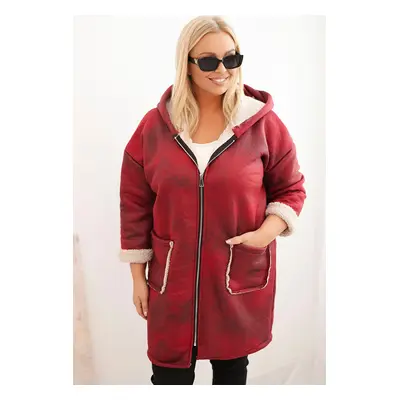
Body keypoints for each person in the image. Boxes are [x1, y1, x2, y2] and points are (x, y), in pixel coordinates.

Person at [119, 15, 306, 385]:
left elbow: (291, 188)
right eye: (208, 61)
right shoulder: (154, 128)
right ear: (187, 65)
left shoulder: (262, 124)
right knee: (169, 377)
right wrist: (138, 278)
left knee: (231, 372)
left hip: (235, 274)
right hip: (173, 278)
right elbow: (135, 204)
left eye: (231, 58)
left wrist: (265, 234)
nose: (222, 70)